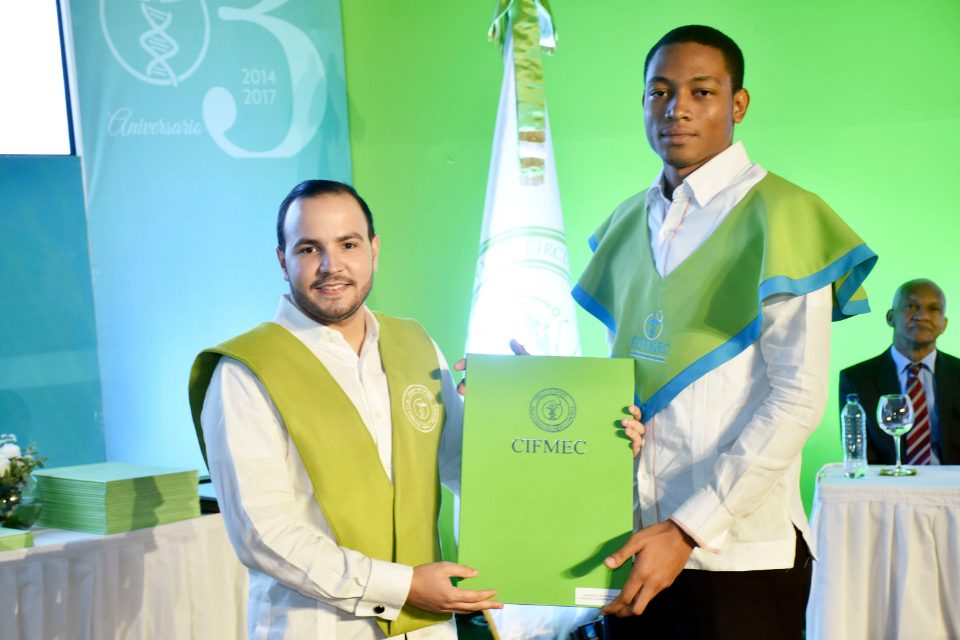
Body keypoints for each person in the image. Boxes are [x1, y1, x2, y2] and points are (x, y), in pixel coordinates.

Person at [570, 25, 876, 638]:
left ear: (738, 103)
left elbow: (797, 398)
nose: (676, 108)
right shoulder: (627, 222)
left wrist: (687, 529)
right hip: (631, 546)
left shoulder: (784, 216)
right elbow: (627, 387)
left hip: (737, 554)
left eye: (701, 92)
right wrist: (539, 395)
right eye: (659, 91)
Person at [188, 180, 501, 639]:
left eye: (348, 244)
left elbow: (465, 471)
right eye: (309, 248)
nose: (330, 266)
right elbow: (262, 533)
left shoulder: (416, 344)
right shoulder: (244, 372)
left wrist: (516, 415)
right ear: (283, 261)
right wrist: (402, 587)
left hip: (428, 630)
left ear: (374, 250)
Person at [840, 279, 959, 465]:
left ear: (944, 324)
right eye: (911, 306)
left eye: (934, 309)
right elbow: (859, 454)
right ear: (890, 317)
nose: (922, 316)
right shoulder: (857, 379)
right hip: (885, 481)